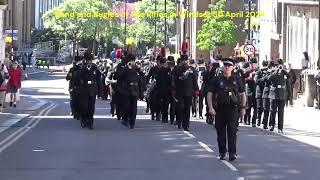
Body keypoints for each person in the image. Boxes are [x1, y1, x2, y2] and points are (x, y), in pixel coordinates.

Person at [207, 58, 246, 161]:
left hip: (233, 109)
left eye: (229, 66)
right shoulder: (217, 79)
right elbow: (209, 93)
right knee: (221, 132)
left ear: (233, 67)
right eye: (225, 66)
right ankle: (222, 152)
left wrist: (243, 108)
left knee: (232, 131)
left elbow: (242, 94)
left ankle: (232, 153)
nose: (227, 67)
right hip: (220, 109)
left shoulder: (237, 79)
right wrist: (210, 107)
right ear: (223, 67)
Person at [172, 54, 199, 131]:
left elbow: (194, 80)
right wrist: (173, 89)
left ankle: (186, 124)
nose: (184, 61)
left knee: (187, 109)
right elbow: (174, 80)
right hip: (179, 91)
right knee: (180, 108)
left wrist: (196, 90)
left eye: (185, 60)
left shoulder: (192, 70)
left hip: (189, 91)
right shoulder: (177, 69)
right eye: (183, 60)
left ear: (187, 61)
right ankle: (179, 121)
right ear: (181, 61)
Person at [78, 51, 102, 129]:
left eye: (90, 60)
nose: (89, 62)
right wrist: (85, 67)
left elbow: (99, 79)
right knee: (84, 106)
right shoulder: (82, 67)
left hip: (92, 89)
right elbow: (78, 76)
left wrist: (100, 91)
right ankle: (84, 120)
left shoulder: (95, 67)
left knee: (91, 108)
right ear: (85, 60)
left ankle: (90, 123)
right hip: (84, 89)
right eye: (88, 60)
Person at [268, 59, 289, 133]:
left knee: (281, 112)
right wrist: (275, 71)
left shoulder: (284, 73)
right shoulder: (273, 73)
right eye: (277, 66)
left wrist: (283, 70)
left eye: (280, 65)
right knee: (273, 111)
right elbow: (269, 79)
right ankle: (272, 125)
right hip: (274, 95)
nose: (279, 67)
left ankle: (280, 128)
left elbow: (289, 77)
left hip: (282, 95)